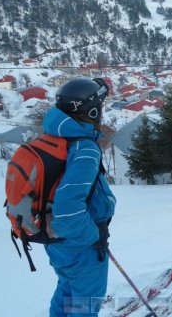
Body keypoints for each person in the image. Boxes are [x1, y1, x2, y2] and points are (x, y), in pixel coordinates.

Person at [42, 77, 116, 316]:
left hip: (55, 239)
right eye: (100, 107)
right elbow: (67, 209)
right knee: (85, 301)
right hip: (80, 244)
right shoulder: (84, 149)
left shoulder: (54, 137)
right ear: (91, 110)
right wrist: (94, 237)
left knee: (67, 288)